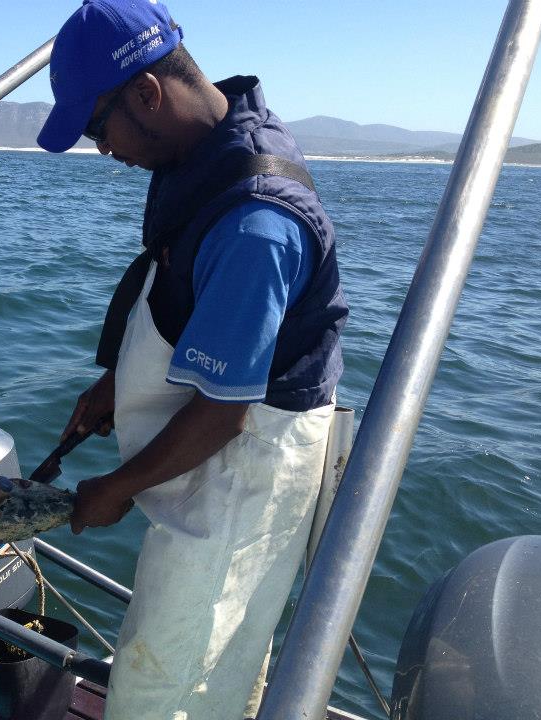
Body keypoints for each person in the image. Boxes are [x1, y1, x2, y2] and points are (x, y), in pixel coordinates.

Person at [37, 1, 349, 717]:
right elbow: (187, 291)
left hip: (245, 469)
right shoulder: (199, 152)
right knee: (207, 663)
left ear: (146, 94)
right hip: (207, 446)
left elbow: (222, 414)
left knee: (166, 684)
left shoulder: (258, 226)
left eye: (96, 126)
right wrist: (120, 381)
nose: (102, 150)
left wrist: (114, 488)